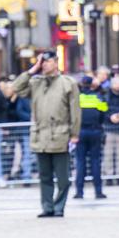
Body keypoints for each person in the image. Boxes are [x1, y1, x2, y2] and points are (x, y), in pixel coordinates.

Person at [12, 51, 81, 217]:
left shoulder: (68, 83)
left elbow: (75, 111)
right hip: (40, 136)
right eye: (42, 62)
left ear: (56, 62)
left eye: (47, 61)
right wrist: (31, 70)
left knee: (63, 178)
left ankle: (59, 207)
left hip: (60, 134)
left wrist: (74, 134)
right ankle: (47, 207)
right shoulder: (36, 82)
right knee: (45, 176)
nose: (44, 65)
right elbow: (16, 88)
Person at [73, 75, 108, 200]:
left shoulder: (77, 98)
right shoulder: (98, 97)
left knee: (80, 162)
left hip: (80, 131)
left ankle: (79, 192)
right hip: (95, 131)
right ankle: (98, 192)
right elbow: (104, 112)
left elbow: (73, 114)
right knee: (95, 162)